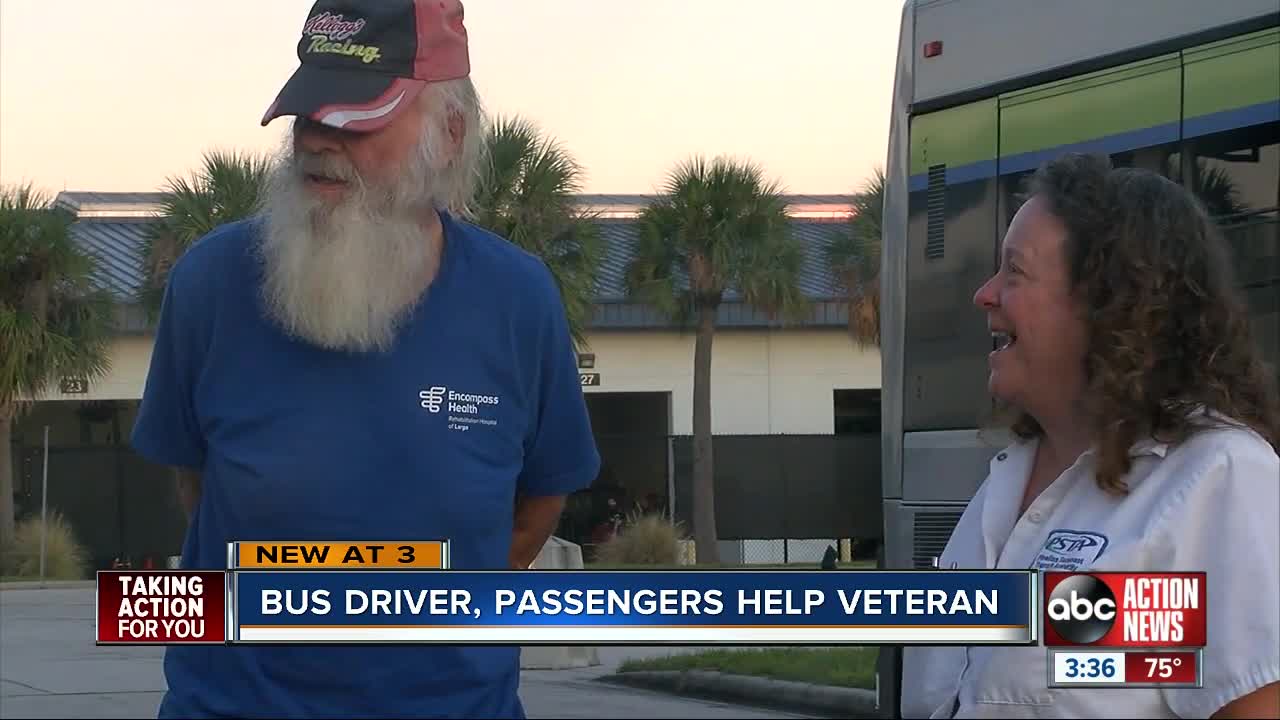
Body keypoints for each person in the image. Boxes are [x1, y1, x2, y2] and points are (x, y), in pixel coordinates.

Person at [130, 0, 601, 717]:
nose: (321, 137)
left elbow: (537, 508)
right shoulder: (210, 283)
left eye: (359, 117)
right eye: (310, 113)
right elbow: (198, 487)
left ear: (448, 135)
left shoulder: (517, 297)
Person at [900, 153, 1280, 719]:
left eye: (1014, 272)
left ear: (1109, 304)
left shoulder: (1221, 477)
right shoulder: (1001, 488)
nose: (984, 294)